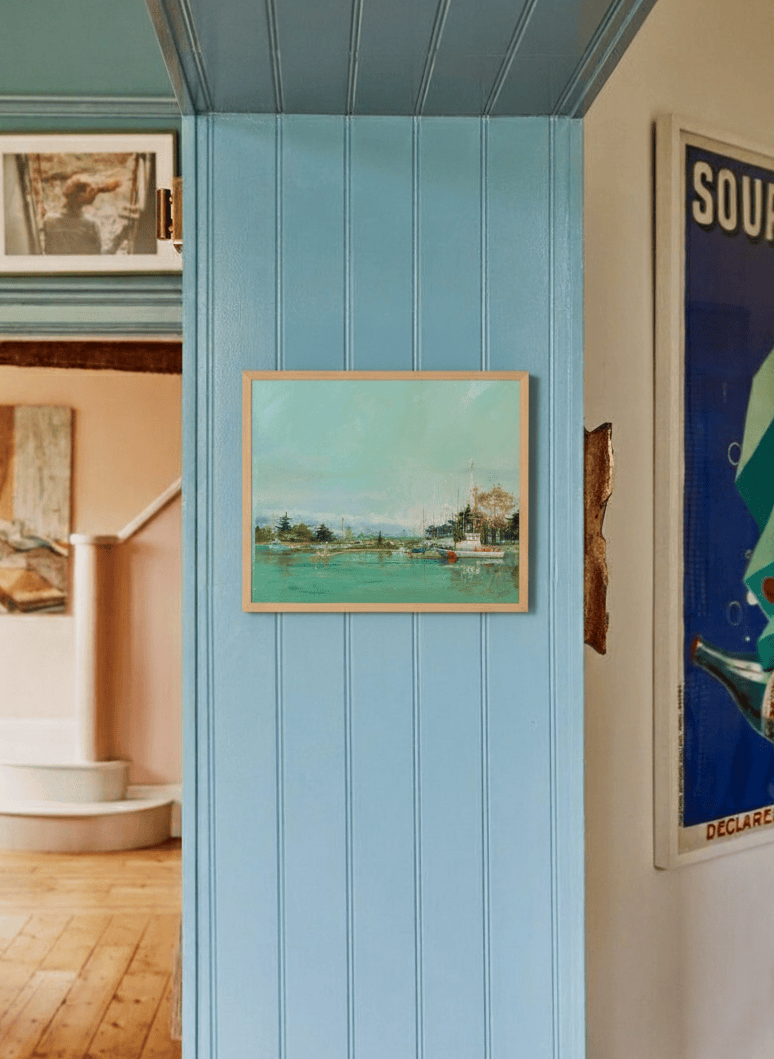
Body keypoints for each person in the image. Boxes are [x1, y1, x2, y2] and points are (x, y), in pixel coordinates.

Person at [42, 174, 138, 255]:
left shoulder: (49, 220)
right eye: (91, 191)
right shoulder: (90, 225)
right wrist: (120, 237)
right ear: (80, 197)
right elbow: (97, 260)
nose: (95, 193)